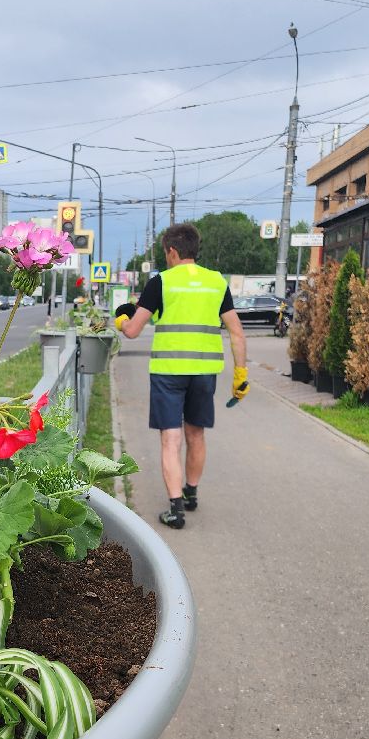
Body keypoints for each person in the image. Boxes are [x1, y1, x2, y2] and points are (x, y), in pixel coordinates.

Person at [114, 223, 248, 530]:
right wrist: (240, 375)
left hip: (168, 373)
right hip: (204, 373)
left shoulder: (161, 282)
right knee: (196, 434)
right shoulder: (216, 282)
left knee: (170, 439)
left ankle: (175, 509)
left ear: (172, 251)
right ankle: (191, 493)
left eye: (166, 254)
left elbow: (133, 330)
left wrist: (122, 320)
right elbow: (237, 333)